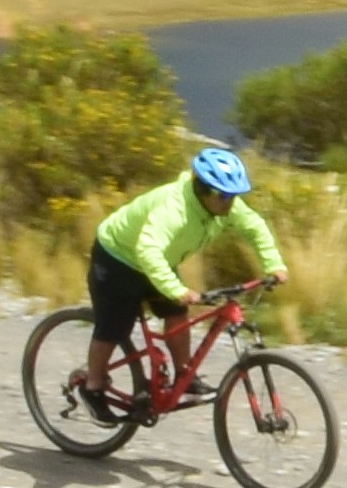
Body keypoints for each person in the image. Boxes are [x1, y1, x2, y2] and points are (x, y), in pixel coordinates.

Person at [86, 144, 285, 407]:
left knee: (176, 315)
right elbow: (148, 249)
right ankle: (93, 386)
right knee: (114, 327)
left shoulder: (225, 205)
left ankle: (184, 376)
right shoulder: (174, 209)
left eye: (234, 196)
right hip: (118, 257)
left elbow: (255, 228)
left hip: (159, 261)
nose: (231, 202)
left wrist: (274, 264)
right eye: (224, 196)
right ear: (203, 190)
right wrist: (176, 290)